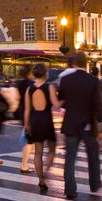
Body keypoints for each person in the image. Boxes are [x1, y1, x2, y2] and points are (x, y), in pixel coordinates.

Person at [57, 51, 102, 199]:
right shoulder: (93, 81)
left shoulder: (66, 80)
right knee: (93, 156)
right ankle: (94, 184)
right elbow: (98, 105)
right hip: (88, 125)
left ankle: (70, 189)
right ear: (86, 63)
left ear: (74, 63)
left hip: (71, 123)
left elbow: (62, 100)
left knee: (70, 157)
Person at [23, 63, 59, 193]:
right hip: (46, 121)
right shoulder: (49, 87)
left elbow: (27, 110)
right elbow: (56, 104)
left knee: (38, 152)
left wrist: (27, 126)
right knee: (52, 149)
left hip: (34, 121)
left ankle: (41, 180)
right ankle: (46, 171)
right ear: (45, 73)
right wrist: (64, 100)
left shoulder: (29, 89)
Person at [14, 66, 35, 173]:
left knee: (29, 138)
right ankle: (24, 165)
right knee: (30, 140)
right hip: (30, 111)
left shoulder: (19, 83)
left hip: (21, 110)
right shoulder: (31, 84)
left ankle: (26, 163)